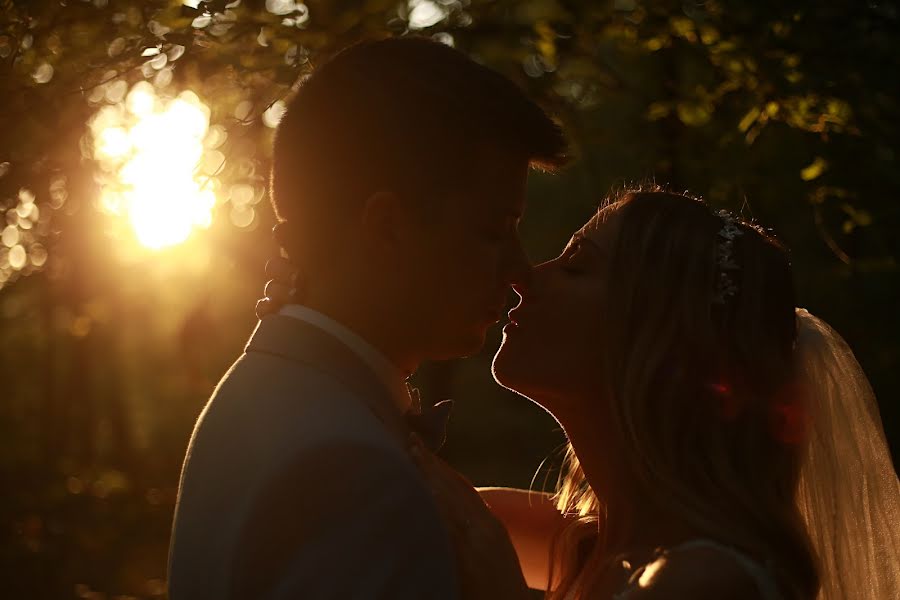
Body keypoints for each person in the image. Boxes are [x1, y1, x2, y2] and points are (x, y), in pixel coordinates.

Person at [261, 188, 900, 599]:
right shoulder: (581, 542)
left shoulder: (708, 582)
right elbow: (413, 500)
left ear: (653, 333)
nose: (524, 277)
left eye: (576, 266)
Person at [167, 36, 567, 599]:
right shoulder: (351, 470)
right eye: (494, 232)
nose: (520, 269)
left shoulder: (270, 393)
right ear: (387, 229)